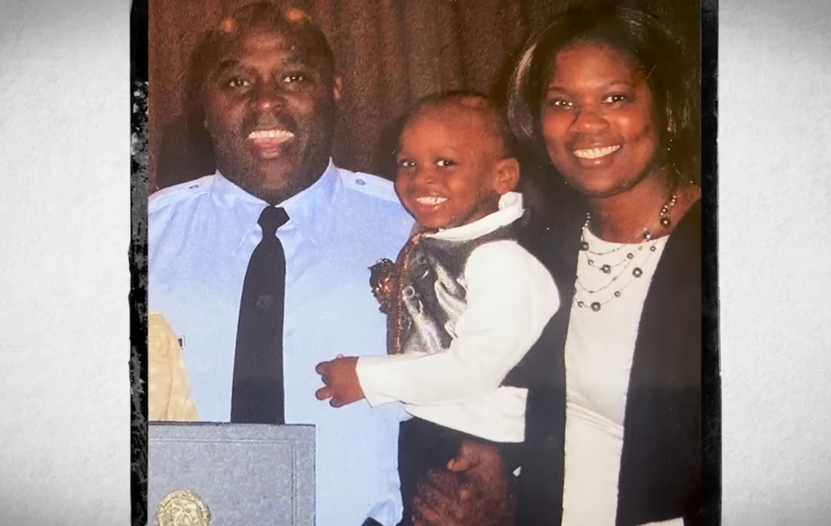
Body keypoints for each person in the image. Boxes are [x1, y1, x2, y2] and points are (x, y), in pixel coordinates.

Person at [413, 4, 704, 526]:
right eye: (562, 102)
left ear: (668, 109)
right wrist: (501, 470)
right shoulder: (537, 251)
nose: (586, 123)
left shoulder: (725, 251)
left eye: (616, 97)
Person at [147, 3, 415, 525]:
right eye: (236, 82)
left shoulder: (411, 229)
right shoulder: (141, 240)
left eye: (293, 77)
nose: (266, 101)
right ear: (205, 105)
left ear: (334, 88)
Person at [313, 91, 560, 526]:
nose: (421, 178)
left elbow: (474, 370)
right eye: (408, 163)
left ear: (502, 175)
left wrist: (366, 376)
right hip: (433, 430)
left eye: (446, 163)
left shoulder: (500, 260)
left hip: (473, 445)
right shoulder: (441, 241)